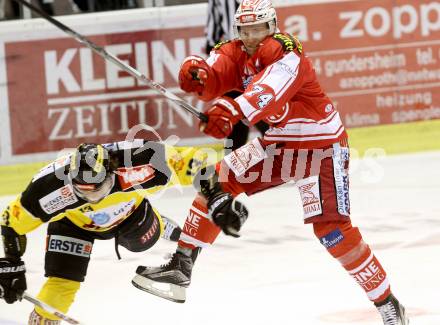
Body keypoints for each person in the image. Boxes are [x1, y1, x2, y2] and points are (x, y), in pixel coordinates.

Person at [132, 1, 410, 324]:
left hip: (322, 147)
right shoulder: (237, 50)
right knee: (217, 180)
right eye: (245, 30)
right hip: (280, 145)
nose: (251, 36)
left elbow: (268, 92)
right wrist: (199, 76)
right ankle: (181, 266)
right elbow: (217, 70)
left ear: (272, 26)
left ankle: (388, 304)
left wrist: (233, 111)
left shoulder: (287, 54)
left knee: (332, 232)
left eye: (258, 29)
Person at [0, 139, 208, 324]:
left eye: (98, 188)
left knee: (143, 242)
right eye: (83, 191)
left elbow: (194, 162)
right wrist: (12, 264)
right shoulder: (47, 187)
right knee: (62, 283)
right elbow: (11, 223)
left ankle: (158, 221)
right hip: (75, 226)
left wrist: (216, 192)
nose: (93, 197)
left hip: (130, 215)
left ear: (111, 170)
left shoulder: (140, 158)